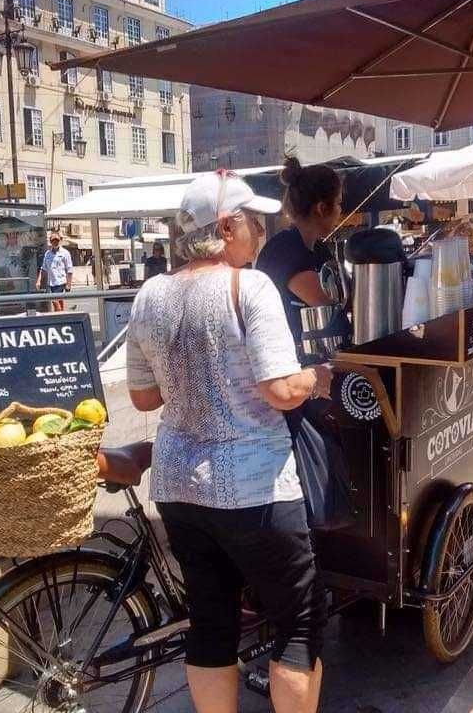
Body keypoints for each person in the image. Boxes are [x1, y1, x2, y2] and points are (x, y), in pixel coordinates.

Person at [125, 170, 332, 713]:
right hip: (254, 491)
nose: (262, 234)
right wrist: (320, 376)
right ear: (227, 225)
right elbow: (283, 390)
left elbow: (145, 399)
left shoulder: (149, 294)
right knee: (299, 621)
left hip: (177, 488)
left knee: (212, 621)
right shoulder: (251, 287)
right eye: (255, 223)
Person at [256, 156, 341, 350]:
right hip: (286, 361)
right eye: (338, 203)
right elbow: (325, 306)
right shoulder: (285, 250)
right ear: (321, 208)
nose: (340, 211)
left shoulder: (318, 249)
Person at [36, 232, 73, 312]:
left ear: (59, 241)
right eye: (53, 240)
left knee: (54, 300)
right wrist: (39, 281)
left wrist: (68, 284)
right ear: (50, 242)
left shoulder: (65, 253)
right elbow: (43, 269)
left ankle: (58, 317)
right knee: (59, 301)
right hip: (51, 282)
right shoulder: (47, 254)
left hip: (60, 281)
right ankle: (62, 317)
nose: (55, 242)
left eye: (57, 240)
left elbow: (69, 269)